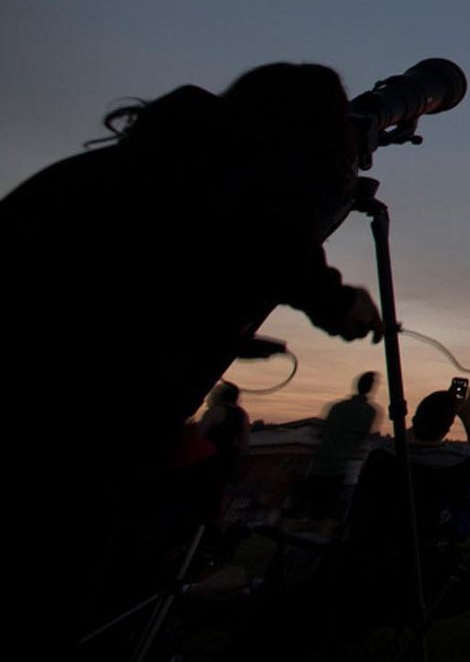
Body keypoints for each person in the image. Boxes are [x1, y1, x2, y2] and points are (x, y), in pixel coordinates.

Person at [3, 63, 383, 483]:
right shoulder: (254, 194)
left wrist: (220, 333)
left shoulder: (135, 168)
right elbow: (274, 235)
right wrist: (339, 303)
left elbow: (131, 291)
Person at [301, 372, 381, 521]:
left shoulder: (337, 407)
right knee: (327, 515)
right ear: (371, 388)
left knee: (308, 511)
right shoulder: (370, 412)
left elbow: (323, 432)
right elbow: (362, 438)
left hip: (320, 465)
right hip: (341, 469)